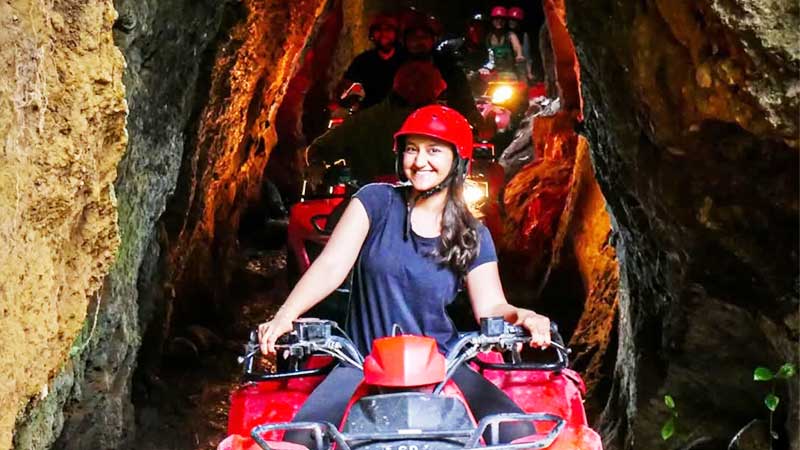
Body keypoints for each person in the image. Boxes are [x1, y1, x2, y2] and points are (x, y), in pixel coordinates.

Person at [259, 105, 552, 445]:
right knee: (301, 438)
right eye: (412, 148)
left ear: (459, 159)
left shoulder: (472, 233)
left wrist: (526, 317)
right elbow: (331, 266)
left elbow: (491, 308)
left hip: (445, 360)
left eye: (434, 150)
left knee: (517, 433)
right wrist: (285, 316)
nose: (420, 160)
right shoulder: (375, 202)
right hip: (360, 360)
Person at [305, 60, 447, 183]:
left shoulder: (365, 120)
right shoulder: (437, 125)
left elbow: (319, 149)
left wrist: (318, 168)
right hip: (408, 203)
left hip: (368, 203)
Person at [339, 13, 407, 109]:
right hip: (371, 112)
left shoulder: (406, 58)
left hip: (402, 111)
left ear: (396, 33)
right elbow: (347, 86)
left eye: (388, 29)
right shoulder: (363, 61)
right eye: (378, 30)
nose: (383, 34)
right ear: (372, 34)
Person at [486, 6, 525, 78]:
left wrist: (519, 55)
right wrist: (486, 68)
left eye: (502, 19)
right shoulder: (489, 37)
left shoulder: (510, 35)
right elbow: (490, 57)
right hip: (495, 73)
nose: (499, 21)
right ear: (492, 21)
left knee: (521, 85)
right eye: (496, 19)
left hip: (510, 72)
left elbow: (517, 46)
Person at [507, 7, 534, 83]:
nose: (512, 22)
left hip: (519, 65)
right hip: (507, 66)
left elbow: (527, 54)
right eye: (511, 20)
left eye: (515, 20)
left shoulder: (523, 35)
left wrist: (529, 72)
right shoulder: (505, 33)